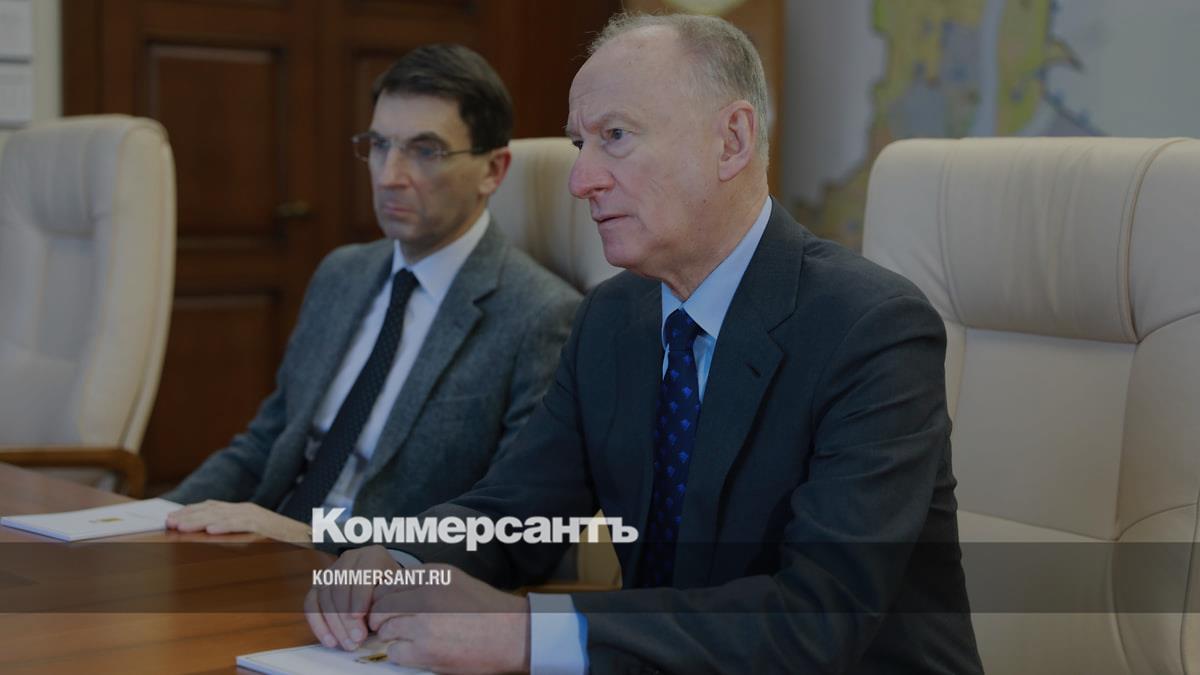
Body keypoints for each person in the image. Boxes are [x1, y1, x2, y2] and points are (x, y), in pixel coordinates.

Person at [305, 14, 983, 674]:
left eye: (616, 136)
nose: (581, 180)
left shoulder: (871, 329)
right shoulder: (610, 318)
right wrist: (402, 558)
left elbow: (816, 619)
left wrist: (525, 632)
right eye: (580, 144)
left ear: (732, 140)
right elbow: (516, 510)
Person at [161, 44, 580, 544]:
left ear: (493, 170)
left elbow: (509, 525)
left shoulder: (541, 316)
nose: (388, 176)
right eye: (379, 145)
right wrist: (153, 520)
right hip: (260, 546)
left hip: (376, 575)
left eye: (425, 151)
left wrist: (311, 537)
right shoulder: (342, 273)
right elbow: (266, 444)